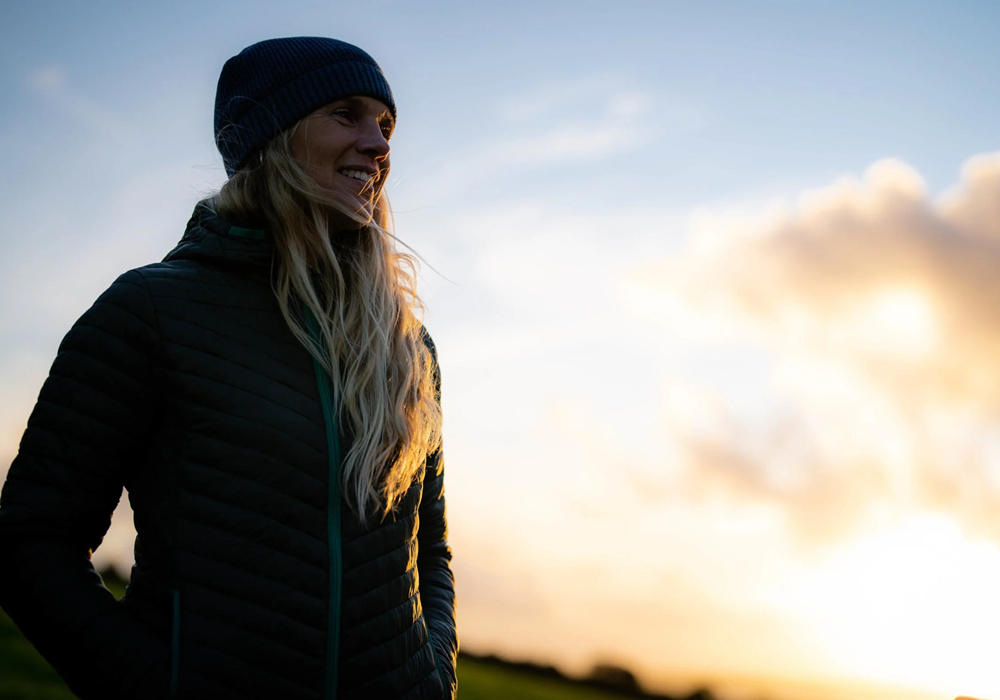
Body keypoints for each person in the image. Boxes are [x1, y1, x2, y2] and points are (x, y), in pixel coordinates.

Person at [0, 37, 457, 700]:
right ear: (274, 136)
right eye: (346, 114)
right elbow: (32, 539)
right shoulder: (153, 310)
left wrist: (434, 676)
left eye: (385, 125)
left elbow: (429, 549)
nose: (379, 144)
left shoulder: (406, 344)